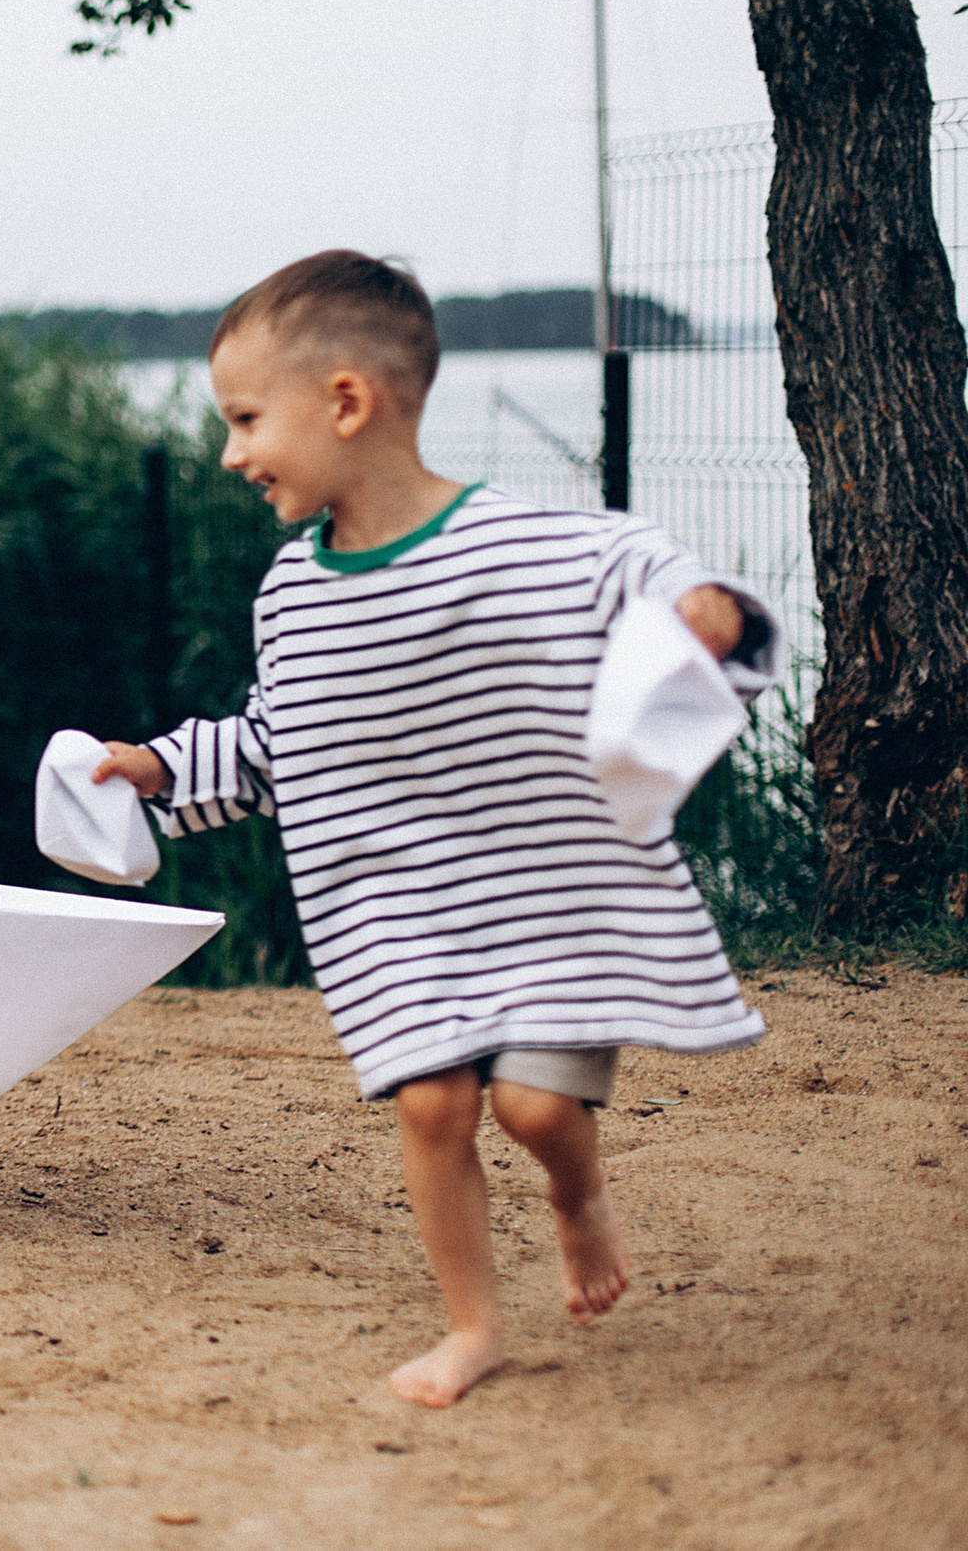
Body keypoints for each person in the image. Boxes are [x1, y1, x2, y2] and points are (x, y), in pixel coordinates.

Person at [93, 251, 778, 1409]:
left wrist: (706, 610)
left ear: (345, 401)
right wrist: (159, 768)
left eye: (246, 419)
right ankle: (473, 1327)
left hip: (548, 896)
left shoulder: (527, 547)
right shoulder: (291, 594)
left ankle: (576, 1195)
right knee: (432, 1102)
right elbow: (275, 743)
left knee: (536, 1108)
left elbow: (643, 571)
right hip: (398, 908)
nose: (229, 454)